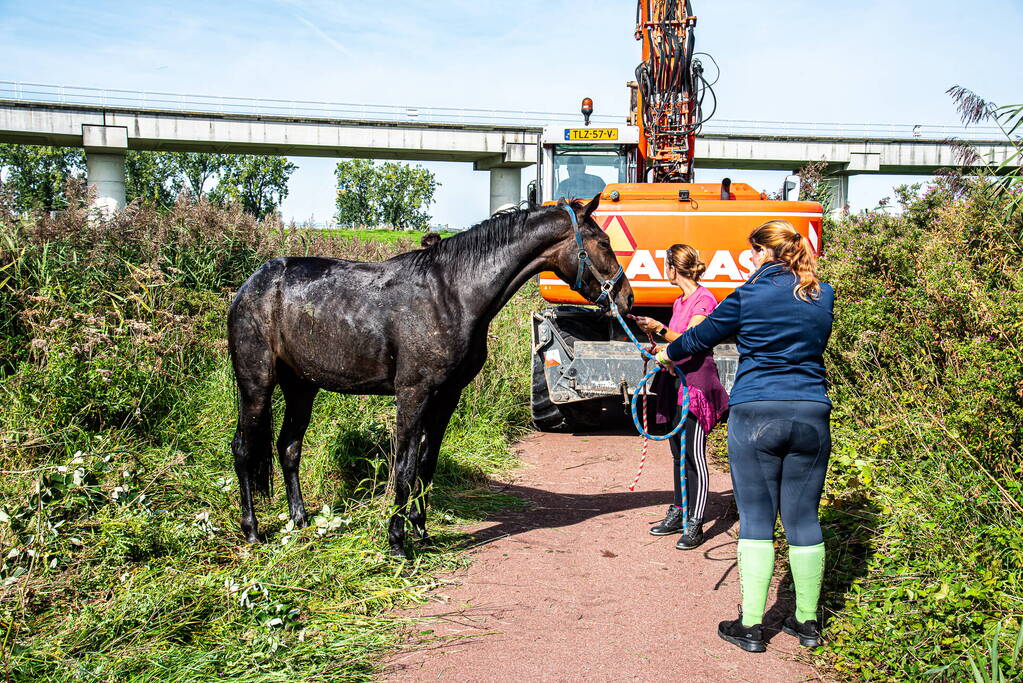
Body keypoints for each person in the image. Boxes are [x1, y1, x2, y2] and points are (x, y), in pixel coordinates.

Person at [656, 220, 834, 653]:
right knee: (804, 519)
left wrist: (668, 350)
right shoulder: (822, 294)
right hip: (812, 411)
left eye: (753, 252)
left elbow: (700, 337)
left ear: (766, 252)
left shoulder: (750, 294)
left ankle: (751, 627)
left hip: (756, 412)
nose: (750, 259)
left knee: (756, 519)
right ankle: (807, 623)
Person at [632, 244, 728, 550]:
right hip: (676, 387)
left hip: (696, 387)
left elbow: (693, 339)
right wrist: (659, 352)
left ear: (675, 267)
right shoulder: (679, 302)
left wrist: (659, 329)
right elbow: (677, 348)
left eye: (666, 264)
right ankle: (679, 510)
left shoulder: (704, 299)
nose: (665, 269)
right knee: (678, 454)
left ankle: (695, 522)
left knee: (694, 456)